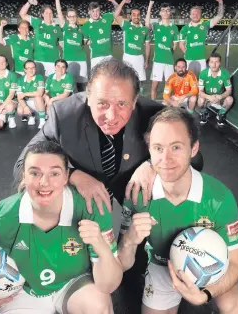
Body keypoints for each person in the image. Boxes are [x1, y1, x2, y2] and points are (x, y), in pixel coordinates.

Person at [0, 140, 122, 314]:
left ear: (66, 176)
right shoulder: (5, 216)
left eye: (54, 173)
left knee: (98, 307)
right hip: (24, 291)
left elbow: (108, 285)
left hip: (74, 284)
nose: (44, 182)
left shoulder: (91, 208)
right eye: (35, 173)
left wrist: (100, 245)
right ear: (23, 175)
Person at [14, 58, 204, 217]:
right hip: (82, 204)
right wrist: (72, 175)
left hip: (136, 198)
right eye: (102, 103)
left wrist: (153, 165)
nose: (111, 116)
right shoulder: (64, 115)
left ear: (135, 101)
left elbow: (195, 159)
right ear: (88, 97)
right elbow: (22, 164)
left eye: (122, 104)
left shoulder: (154, 115)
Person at [118, 107, 238, 314]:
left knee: (236, 308)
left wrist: (205, 294)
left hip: (213, 268)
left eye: (176, 147)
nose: (166, 159)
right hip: (162, 265)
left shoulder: (219, 197)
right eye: (158, 148)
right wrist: (129, 241)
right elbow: (122, 265)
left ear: (194, 148)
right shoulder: (138, 195)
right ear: (149, 150)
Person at [179, 0, 224, 77]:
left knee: (201, 81)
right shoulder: (184, 29)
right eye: (193, 14)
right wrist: (187, 53)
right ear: (190, 15)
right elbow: (181, 44)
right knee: (188, 80)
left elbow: (220, 16)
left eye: (197, 13)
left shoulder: (205, 25)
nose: (195, 15)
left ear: (200, 15)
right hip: (188, 59)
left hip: (201, 59)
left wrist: (220, 2)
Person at [114, 0, 150, 96]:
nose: (136, 16)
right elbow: (116, 14)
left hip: (140, 57)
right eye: (134, 14)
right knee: (126, 79)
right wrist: (123, 1)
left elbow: (147, 46)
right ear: (130, 16)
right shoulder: (126, 25)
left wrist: (147, 60)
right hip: (128, 57)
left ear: (140, 16)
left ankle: (139, 97)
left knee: (140, 81)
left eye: (138, 15)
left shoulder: (145, 29)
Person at [53, 0, 88, 92]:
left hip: (81, 59)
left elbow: (84, 43)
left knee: (82, 85)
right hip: (68, 59)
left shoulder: (82, 29)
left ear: (76, 17)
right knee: (70, 86)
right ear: (67, 17)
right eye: (70, 16)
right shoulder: (64, 26)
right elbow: (59, 12)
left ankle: (84, 105)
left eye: (74, 16)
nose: (72, 18)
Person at [145, 1, 179, 101]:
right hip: (158, 61)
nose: (165, 12)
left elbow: (175, 44)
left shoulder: (174, 28)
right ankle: (153, 105)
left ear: (170, 13)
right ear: (160, 13)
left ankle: (167, 105)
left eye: (167, 10)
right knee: (154, 87)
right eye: (163, 10)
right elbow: (147, 23)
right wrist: (150, 6)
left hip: (169, 61)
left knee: (169, 87)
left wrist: (169, 52)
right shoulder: (156, 26)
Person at [19, 0, 63, 78]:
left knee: (50, 87)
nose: (49, 15)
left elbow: (62, 46)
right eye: (46, 13)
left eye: (51, 13)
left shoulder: (57, 29)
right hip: (38, 61)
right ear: (42, 14)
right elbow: (22, 14)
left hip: (53, 62)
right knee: (39, 85)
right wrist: (29, 3)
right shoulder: (37, 23)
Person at [82, 0, 118, 69]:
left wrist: (113, 0)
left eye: (97, 11)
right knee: (97, 80)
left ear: (100, 11)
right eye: (93, 11)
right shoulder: (86, 26)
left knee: (110, 79)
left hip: (109, 56)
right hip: (96, 58)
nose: (95, 13)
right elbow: (83, 42)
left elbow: (118, 11)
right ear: (89, 12)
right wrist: (91, 41)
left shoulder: (107, 17)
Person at [197, 52, 233, 126]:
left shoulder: (225, 73)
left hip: (219, 98)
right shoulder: (203, 73)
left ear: (220, 63)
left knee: (230, 99)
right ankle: (203, 113)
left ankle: (220, 114)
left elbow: (229, 91)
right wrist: (209, 97)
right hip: (208, 98)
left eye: (216, 62)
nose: (214, 65)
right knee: (200, 100)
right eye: (212, 62)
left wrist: (220, 96)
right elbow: (200, 92)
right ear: (209, 63)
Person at [16, 60, 46, 129]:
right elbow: (19, 97)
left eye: (33, 68)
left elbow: (40, 93)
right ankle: (31, 116)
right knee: (20, 110)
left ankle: (42, 120)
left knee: (38, 97)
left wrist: (25, 93)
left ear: (35, 69)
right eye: (28, 68)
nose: (31, 70)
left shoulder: (39, 77)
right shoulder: (20, 80)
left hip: (37, 102)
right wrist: (25, 107)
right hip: (26, 101)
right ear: (25, 70)